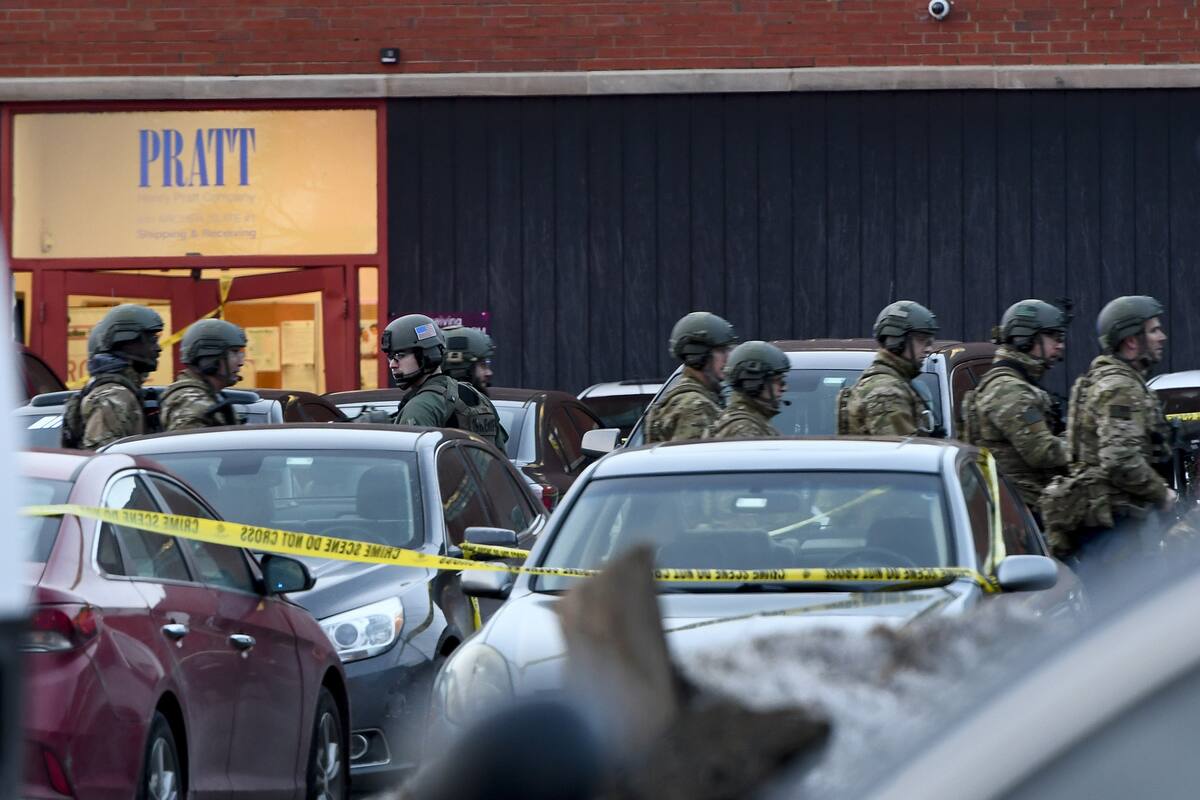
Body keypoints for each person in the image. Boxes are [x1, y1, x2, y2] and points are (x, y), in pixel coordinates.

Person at [1040, 295, 1176, 566]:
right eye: (1153, 330)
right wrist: (1162, 494)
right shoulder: (1119, 388)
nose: (1162, 337)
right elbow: (1120, 459)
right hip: (1117, 529)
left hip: (1109, 525)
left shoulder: (1106, 380)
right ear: (1131, 341)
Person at [961, 300, 1069, 508]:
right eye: (1053, 337)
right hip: (1021, 508)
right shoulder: (1009, 390)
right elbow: (1042, 451)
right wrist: (1084, 446)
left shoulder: (1016, 382)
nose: (1060, 345)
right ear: (1026, 339)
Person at [382, 314, 503, 448]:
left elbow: (409, 464)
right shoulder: (481, 399)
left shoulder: (420, 408)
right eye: (390, 357)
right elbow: (501, 461)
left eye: (400, 355)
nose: (392, 364)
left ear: (427, 355)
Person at [62, 304, 163, 449]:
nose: (158, 348)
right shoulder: (112, 397)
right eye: (151, 340)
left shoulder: (122, 393)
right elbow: (102, 461)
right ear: (126, 341)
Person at [838, 300, 938, 437]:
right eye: (921, 340)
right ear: (897, 340)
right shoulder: (886, 392)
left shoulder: (895, 381)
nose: (928, 349)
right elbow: (899, 454)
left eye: (930, 342)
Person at [644, 312, 737, 443]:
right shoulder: (694, 407)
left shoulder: (692, 399)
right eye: (721, 351)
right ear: (699, 354)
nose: (728, 357)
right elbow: (693, 461)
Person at [160, 319, 248, 431]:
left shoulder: (209, 396)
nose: (241, 362)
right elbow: (191, 447)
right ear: (209, 358)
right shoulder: (190, 402)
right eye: (234, 352)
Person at [443, 325, 508, 450]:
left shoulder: (483, 405)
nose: (489, 373)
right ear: (461, 367)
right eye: (482, 365)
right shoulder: (430, 406)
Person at [707, 341, 789, 439]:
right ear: (754, 382)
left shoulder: (754, 420)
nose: (784, 388)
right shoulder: (744, 428)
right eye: (777, 381)